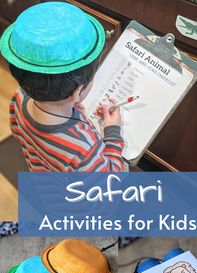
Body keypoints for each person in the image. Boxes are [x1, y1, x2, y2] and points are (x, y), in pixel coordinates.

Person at [0, 1, 125, 172]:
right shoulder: (83, 148)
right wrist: (112, 133)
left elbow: (17, 132)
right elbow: (110, 181)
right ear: (77, 91)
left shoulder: (18, 98)